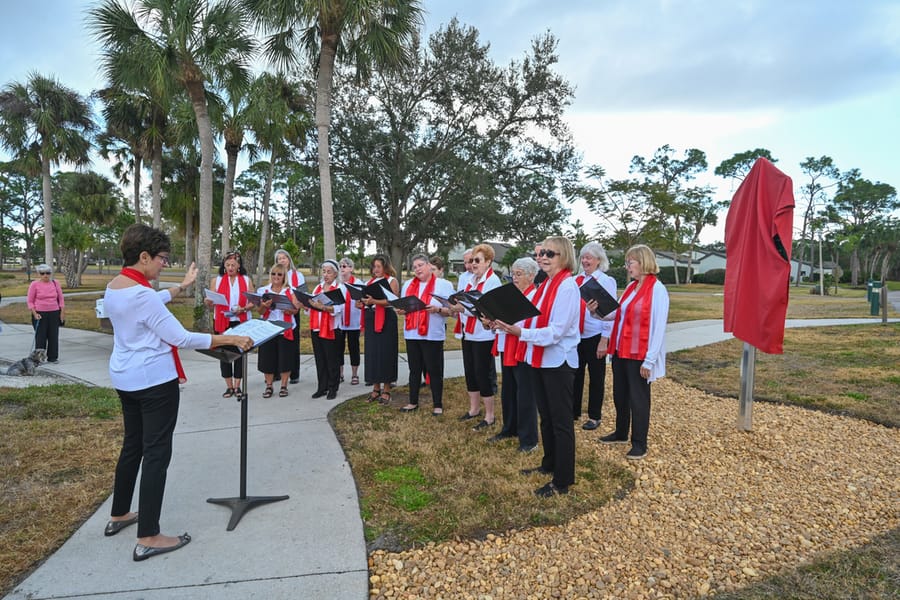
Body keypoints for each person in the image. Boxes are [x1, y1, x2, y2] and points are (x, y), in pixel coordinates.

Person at [103, 224, 253, 561]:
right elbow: (182, 337)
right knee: (156, 454)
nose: (163, 265)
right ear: (143, 257)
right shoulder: (141, 294)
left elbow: (148, 303)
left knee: (133, 446)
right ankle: (150, 535)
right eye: (161, 259)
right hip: (154, 382)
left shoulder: (116, 287)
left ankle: (119, 514)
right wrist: (229, 338)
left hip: (125, 378)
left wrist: (181, 287)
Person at [494, 236, 580, 497]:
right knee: (546, 418)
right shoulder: (546, 285)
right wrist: (507, 323)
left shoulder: (567, 287)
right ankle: (549, 464)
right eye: (541, 252)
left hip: (558, 361)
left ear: (563, 256)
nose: (542, 257)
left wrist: (520, 333)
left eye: (549, 253)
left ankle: (562, 481)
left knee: (561, 422)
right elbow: (532, 318)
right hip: (541, 359)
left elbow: (555, 332)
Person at [598, 244, 670, 460]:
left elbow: (659, 328)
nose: (627, 266)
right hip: (621, 350)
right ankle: (621, 432)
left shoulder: (657, 289)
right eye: (627, 262)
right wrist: (598, 312)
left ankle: (640, 442)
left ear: (643, 262)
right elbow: (617, 315)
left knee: (639, 399)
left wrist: (650, 360)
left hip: (639, 354)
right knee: (620, 395)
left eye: (630, 262)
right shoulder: (631, 288)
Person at [487, 257, 540, 452]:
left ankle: (529, 439)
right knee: (508, 390)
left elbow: (532, 323)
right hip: (507, 345)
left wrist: (508, 324)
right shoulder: (512, 295)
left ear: (531, 276)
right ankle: (509, 428)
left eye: (519, 274)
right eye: (513, 274)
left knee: (525, 394)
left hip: (524, 349)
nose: (514, 278)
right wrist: (494, 322)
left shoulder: (535, 296)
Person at [450, 243, 501, 430]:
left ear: (488, 262)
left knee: (483, 374)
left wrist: (463, 307)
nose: (473, 264)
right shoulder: (470, 279)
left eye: (477, 260)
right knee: (470, 372)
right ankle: (473, 409)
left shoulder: (492, 281)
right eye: (472, 260)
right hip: (468, 332)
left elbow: (485, 309)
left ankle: (489, 415)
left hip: (483, 335)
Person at [398, 254, 454, 415]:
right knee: (414, 369)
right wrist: (401, 310)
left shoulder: (443, 285)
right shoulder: (408, 284)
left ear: (430, 266)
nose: (417, 269)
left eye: (420, 265)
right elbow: (404, 306)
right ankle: (412, 402)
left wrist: (438, 310)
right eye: (414, 267)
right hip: (412, 333)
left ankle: (437, 404)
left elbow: (453, 311)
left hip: (432, 334)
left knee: (434, 369)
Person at [574, 242, 618, 430]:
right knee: (575, 375)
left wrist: (604, 340)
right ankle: (573, 410)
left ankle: (594, 416)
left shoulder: (606, 281)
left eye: (589, 257)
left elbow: (610, 313)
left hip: (595, 334)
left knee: (596, 376)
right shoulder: (576, 280)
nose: (585, 261)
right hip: (577, 335)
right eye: (583, 257)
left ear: (599, 260)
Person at [204, 251, 253, 400]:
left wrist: (243, 308)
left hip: (240, 320)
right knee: (224, 353)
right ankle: (229, 385)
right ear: (224, 266)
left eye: (233, 265)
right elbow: (210, 302)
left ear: (239, 266)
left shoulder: (245, 279)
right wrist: (209, 302)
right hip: (222, 320)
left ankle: (238, 385)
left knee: (239, 353)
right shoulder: (217, 280)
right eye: (228, 265)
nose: (230, 267)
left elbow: (253, 301)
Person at [254, 263, 299, 398]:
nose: (276, 277)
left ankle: (284, 385)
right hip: (269, 328)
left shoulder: (290, 291)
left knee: (285, 359)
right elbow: (259, 311)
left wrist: (288, 309)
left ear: (284, 276)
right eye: (273, 274)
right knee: (267, 359)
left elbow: (296, 309)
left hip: (285, 328)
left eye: (279, 274)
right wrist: (264, 306)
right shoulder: (263, 291)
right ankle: (269, 385)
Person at [360, 254, 400, 403]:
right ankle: (375, 388)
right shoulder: (370, 282)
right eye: (374, 266)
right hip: (371, 318)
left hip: (386, 319)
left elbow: (393, 301)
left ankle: (387, 389)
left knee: (386, 353)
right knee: (373, 353)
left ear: (385, 267)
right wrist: (363, 302)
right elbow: (367, 300)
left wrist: (374, 300)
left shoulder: (391, 281)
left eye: (378, 266)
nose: (375, 269)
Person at [308, 260, 344, 399]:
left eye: (329, 272)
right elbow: (312, 306)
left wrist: (324, 307)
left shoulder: (339, 288)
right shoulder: (318, 288)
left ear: (335, 274)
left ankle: (332, 387)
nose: (326, 275)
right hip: (317, 327)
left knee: (332, 359)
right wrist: (308, 305)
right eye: (324, 271)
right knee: (320, 359)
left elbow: (340, 308)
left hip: (332, 328)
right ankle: (321, 387)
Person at [274, 249, 305, 384]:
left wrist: (294, 306)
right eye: (279, 259)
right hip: (277, 313)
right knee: (277, 344)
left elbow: (303, 294)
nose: (282, 260)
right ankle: (277, 372)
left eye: (284, 258)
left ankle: (294, 373)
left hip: (293, 312)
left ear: (289, 259)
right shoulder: (275, 274)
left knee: (293, 343)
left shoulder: (298, 275)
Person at [27, 263, 65, 363]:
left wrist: (62, 313)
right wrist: (35, 313)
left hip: (54, 312)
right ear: (39, 274)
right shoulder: (34, 284)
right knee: (41, 337)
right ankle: (39, 359)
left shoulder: (55, 283)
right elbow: (30, 301)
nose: (45, 275)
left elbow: (61, 299)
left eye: (47, 273)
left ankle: (53, 357)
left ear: (50, 273)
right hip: (40, 313)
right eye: (42, 273)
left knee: (53, 336)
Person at [337, 257, 362, 385]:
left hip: (354, 322)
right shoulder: (337, 284)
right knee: (338, 348)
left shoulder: (358, 283)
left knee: (354, 348)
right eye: (340, 266)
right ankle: (340, 374)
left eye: (345, 266)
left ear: (351, 268)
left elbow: (363, 301)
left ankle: (354, 374)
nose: (342, 269)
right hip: (339, 322)